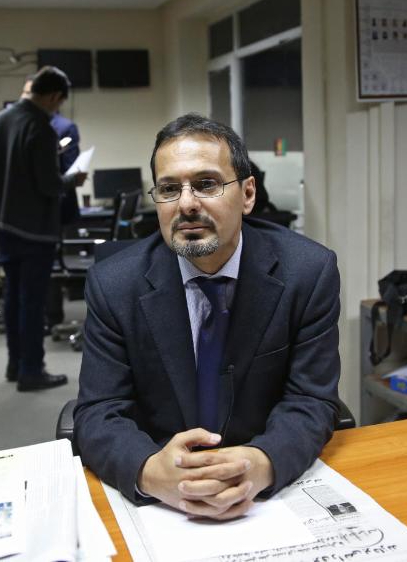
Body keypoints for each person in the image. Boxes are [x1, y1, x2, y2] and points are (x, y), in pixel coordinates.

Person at [73, 113, 341, 520]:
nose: (186, 204)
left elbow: (311, 398)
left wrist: (263, 462)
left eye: (206, 184)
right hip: (161, 494)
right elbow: (99, 410)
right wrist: (147, 471)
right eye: (168, 189)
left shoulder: (307, 272)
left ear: (248, 193)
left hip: (268, 497)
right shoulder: (114, 285)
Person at [0, 66, 86, 391]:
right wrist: (73, 179)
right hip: (33, 228)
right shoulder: (40, 126)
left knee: (13, 297)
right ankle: (32, 370)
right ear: (54, 96)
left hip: (3, 224)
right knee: (32, 301)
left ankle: (15, 364)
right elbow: (48, 184)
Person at [21, 76, 83, 329]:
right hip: (30, 208)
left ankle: (52, 316)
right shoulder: (21, 123)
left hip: (57, 206)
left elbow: (70, 167)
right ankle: (41, 317)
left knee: (52, 264)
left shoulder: (64, 127)